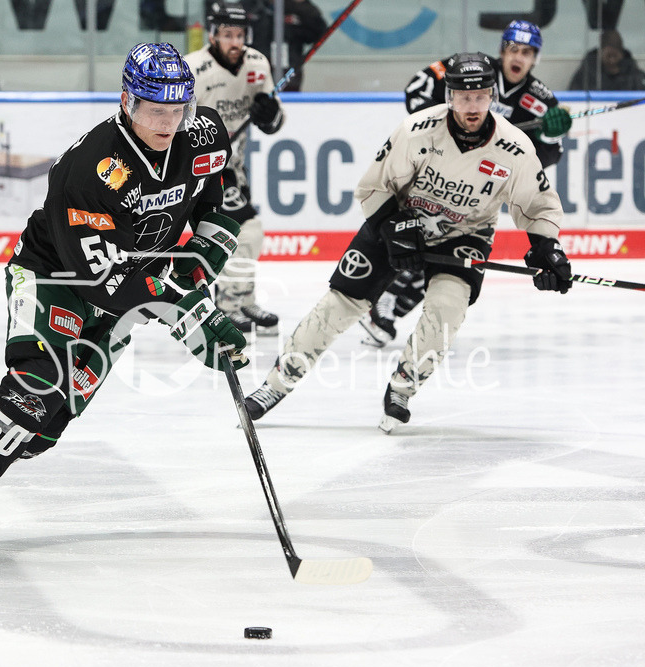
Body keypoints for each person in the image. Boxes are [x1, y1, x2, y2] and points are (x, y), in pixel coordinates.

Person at [0, 42, 249, 567]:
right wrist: (190, 310)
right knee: (32, 392)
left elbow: (219, 204)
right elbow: (101, 280)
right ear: (127, 102)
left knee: (39, 435)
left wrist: (195, 271)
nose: (169, 123)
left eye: (178, 110)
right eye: (156, 110)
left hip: (132, 294)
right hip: (55, 277)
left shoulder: (204, 135)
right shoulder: (86, 169)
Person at [243, 52, 570, 433]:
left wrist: (547, 249)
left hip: (463, 236)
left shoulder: (513, 147)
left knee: (446, 311)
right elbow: (372, 187)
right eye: (464, 97)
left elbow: (538, 205)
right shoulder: (416, 129)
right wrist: (393, 228)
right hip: (398, 223)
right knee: (339, 305)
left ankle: (402, 388)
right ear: (448, 96)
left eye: (481, 96)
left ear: (492, 96)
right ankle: (276, 384)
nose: (472, 106)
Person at [362, 20, 571, 348]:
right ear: (503, 49)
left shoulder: (542, 100)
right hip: (437, 171)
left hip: (478, 189)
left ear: (536, 58)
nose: (519, 57)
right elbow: (416, 88)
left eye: (527, 52)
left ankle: (389, 308)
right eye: (514, 48)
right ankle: (380, 300)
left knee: (452, 251)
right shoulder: (469, 70)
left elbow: (541, 160)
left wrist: (549, 136)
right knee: (421, 234)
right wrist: (440, 127)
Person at [185, 2, 286, 335]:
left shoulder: (256, 64)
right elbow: (177, 126)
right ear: (213, 35)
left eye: (240, 35)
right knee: (245, 228)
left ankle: (242, 297)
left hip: (234, 166)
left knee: (240, 234)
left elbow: (274, 122)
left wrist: (268, 111)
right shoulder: (194, 68)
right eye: (227, 34)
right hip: (202, 164)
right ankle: (229, 303)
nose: (234, 42)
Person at [244, 0, 327, 92]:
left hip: (288, 77)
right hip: (253, 75)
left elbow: (319, 33)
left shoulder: (298, 8)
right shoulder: (249, 6)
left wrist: (301, 4)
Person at [568, 29, 645, 91]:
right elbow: (574, 99)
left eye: (615, 54)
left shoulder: (635, 75)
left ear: (622, 54)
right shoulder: (586, 75)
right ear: (600, 53)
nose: (611, 59)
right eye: (608, 55)